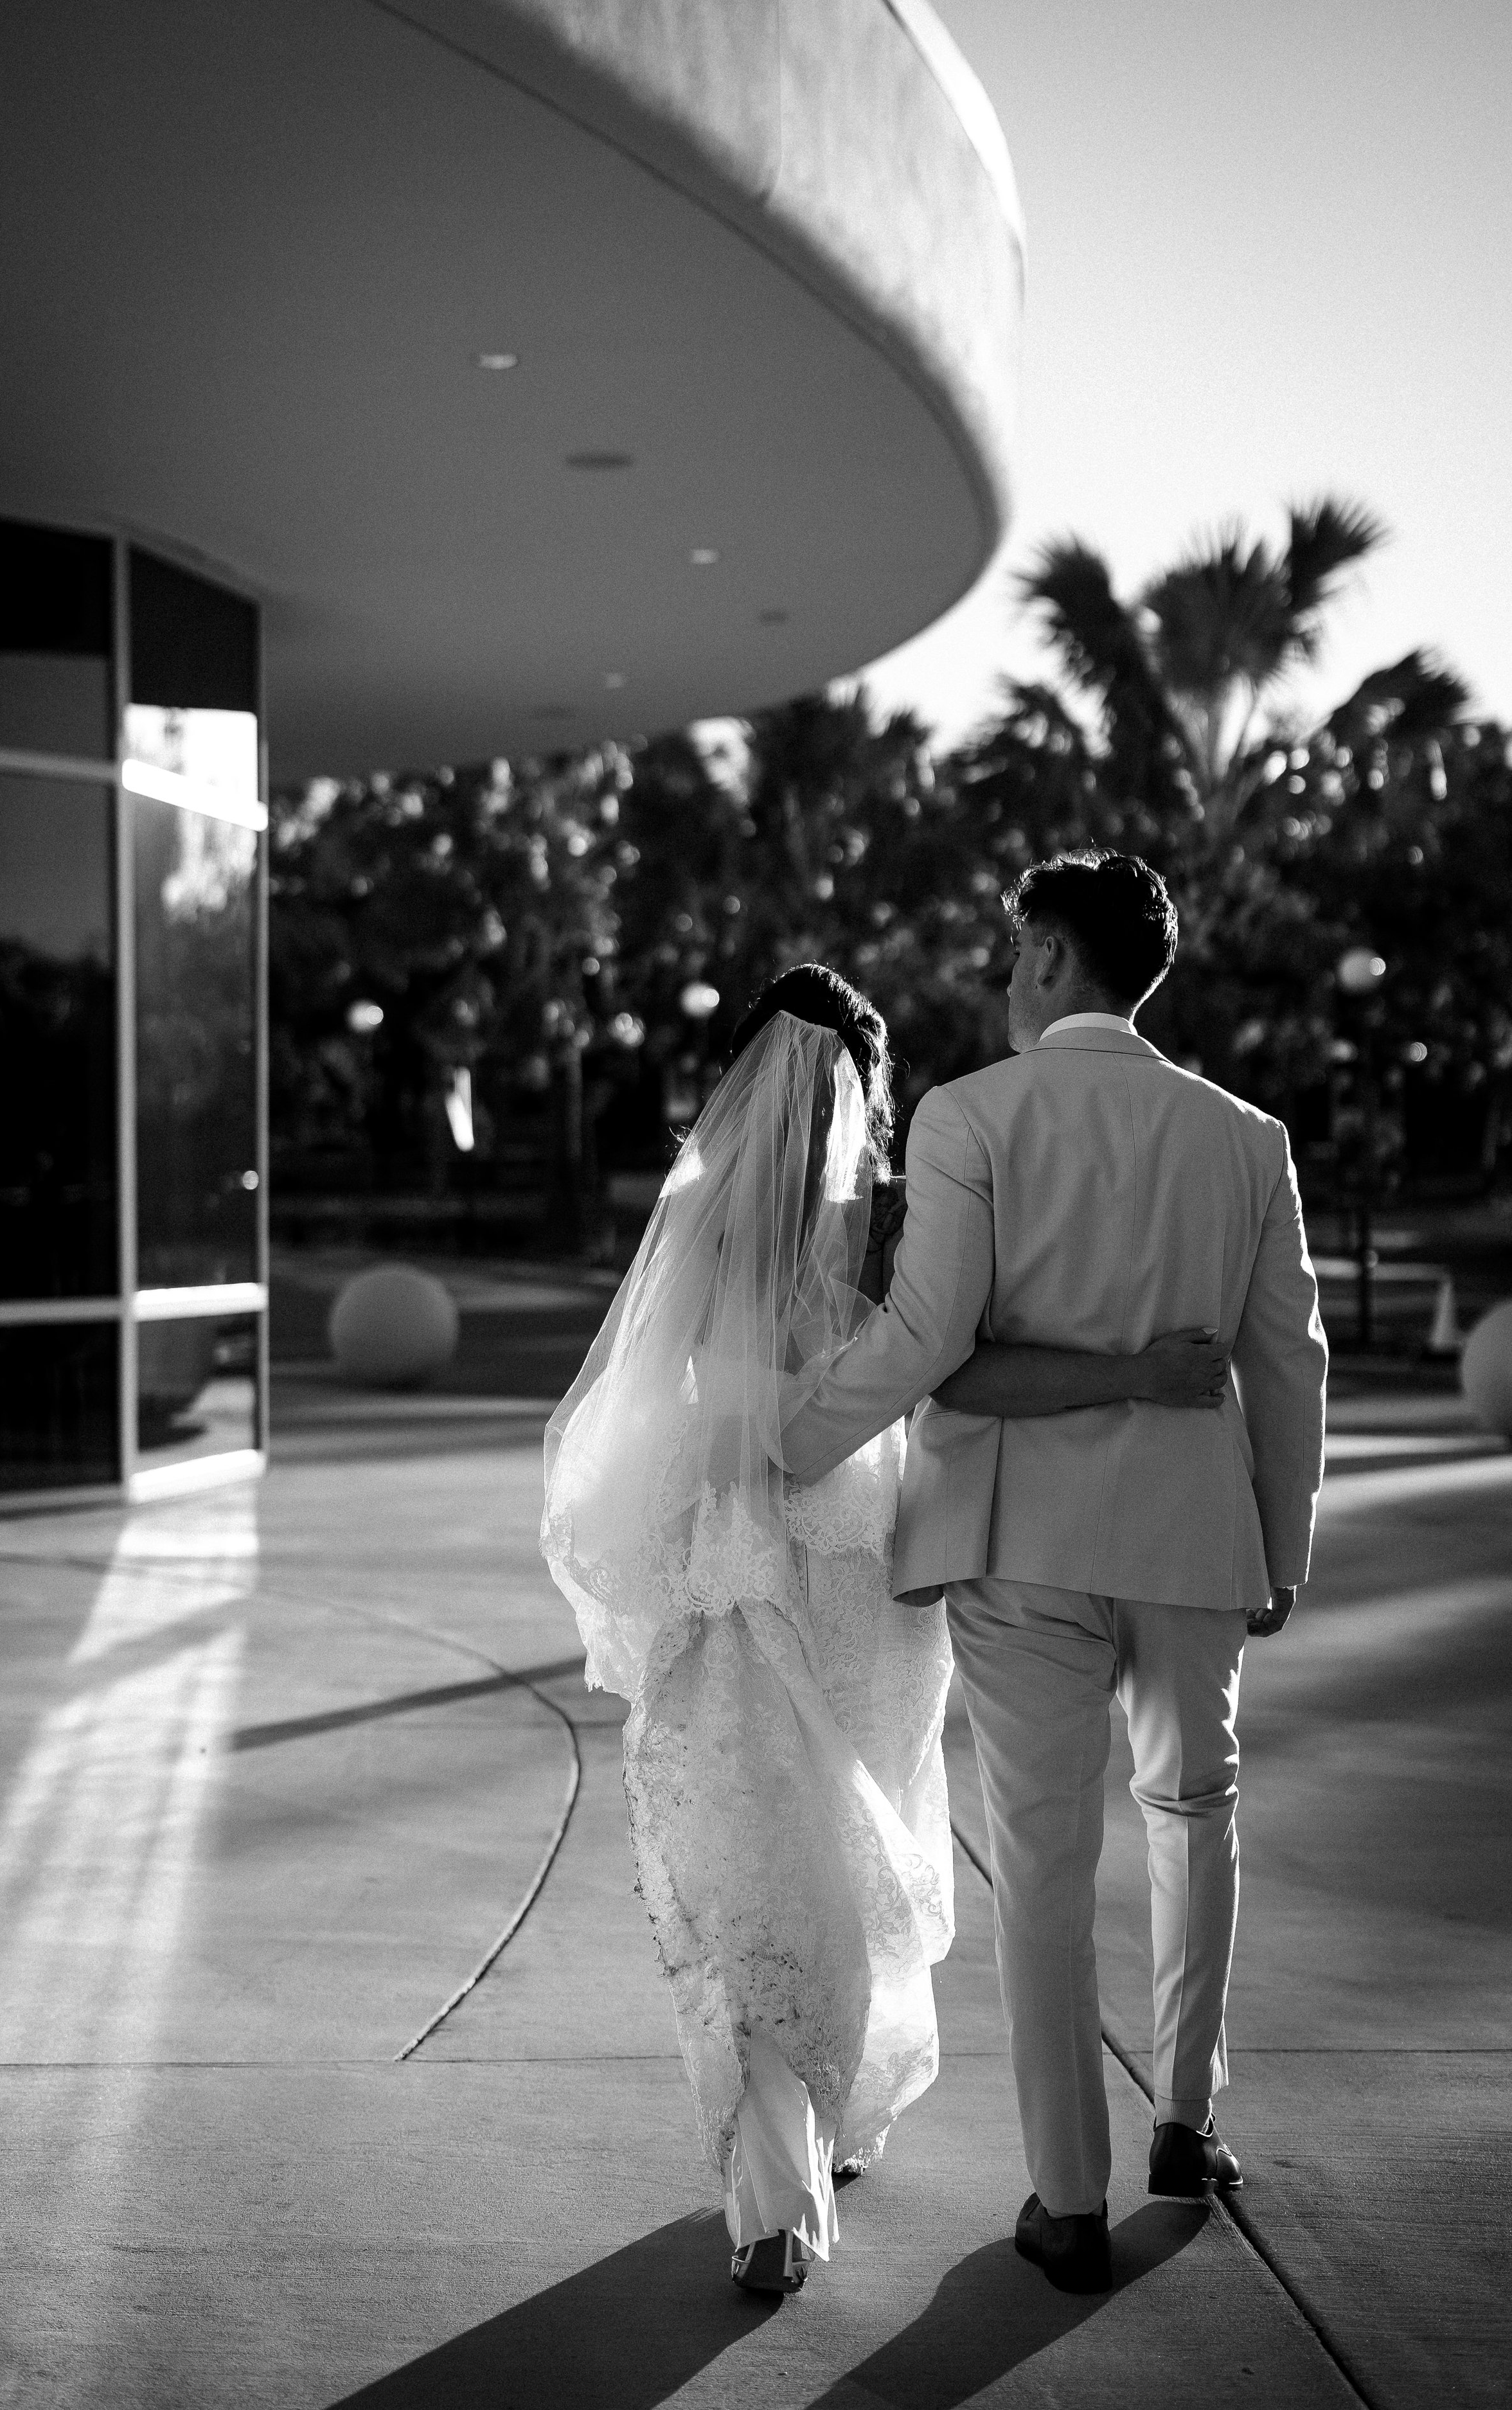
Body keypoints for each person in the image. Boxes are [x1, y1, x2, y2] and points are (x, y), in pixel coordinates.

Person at [542, 960, 1232, 2296]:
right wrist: (1132, 1378)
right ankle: (804, 2156)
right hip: (864, 1564)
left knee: (756, 1870)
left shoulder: (704, 1216)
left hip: (735, 1557)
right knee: (845, 1864)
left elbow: (652, 1397)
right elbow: (950, 1360)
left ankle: (775, 2203)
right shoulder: (904, 1214)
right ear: (866, 1093)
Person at [781, 857, 1328, 2297]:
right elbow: (1286, 1361)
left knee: (1041, 1861)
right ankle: (1186, 2126)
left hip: (1018, 1540)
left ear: (1042, 957)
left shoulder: (970, 1115)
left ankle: (1066, 2200)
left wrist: (783, 1446)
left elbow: (920, 1342)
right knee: (1192, 1808)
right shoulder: (1242, 1137)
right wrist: (1283, 1542)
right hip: (1196, 1537)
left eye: (1009, 947)